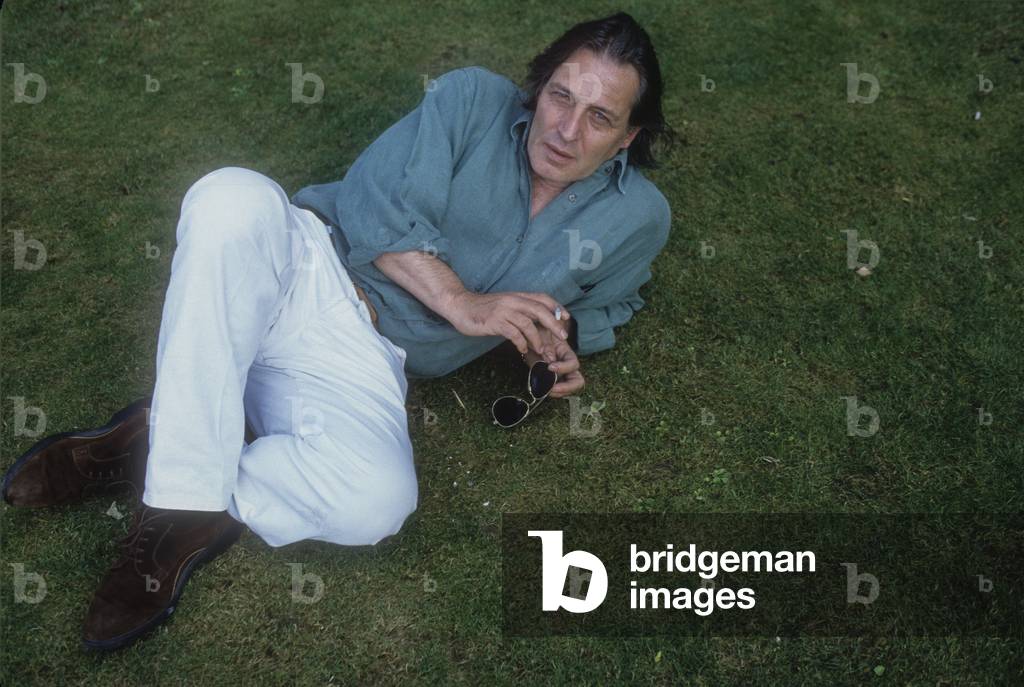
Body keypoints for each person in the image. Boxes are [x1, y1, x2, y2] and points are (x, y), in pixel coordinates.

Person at [2, 11, 673, 650]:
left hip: (369, 359)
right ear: (540, 84)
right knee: (228, 197)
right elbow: (374, 207)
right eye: (560, 97)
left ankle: (171, 442)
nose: (564, 129)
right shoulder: (472, 99)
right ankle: (176, 512)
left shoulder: (638, 218)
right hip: (306, 272)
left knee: (378, 501)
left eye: (599, 118)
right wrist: (466, 304)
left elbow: (614, 302)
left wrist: (568, 341)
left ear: (629, 137)